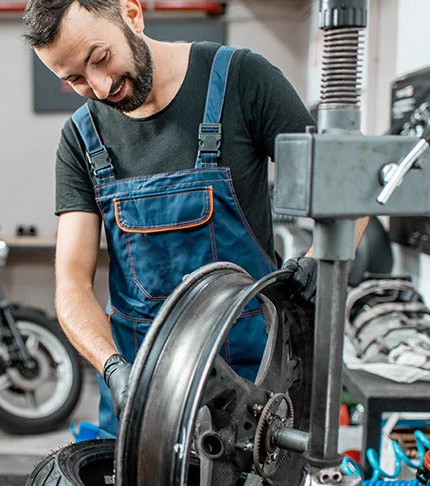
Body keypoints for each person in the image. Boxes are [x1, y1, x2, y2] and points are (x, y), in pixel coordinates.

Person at [23, 0, 360, 437]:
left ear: (131, 12)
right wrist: (114, 370)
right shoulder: (81, 139)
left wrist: (317, 265)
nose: (101, 87)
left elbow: (344, 193)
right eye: (75, 80)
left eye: (100, 58)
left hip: (254, 383)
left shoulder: (242, 80)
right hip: (142, 383)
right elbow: (71, 284)